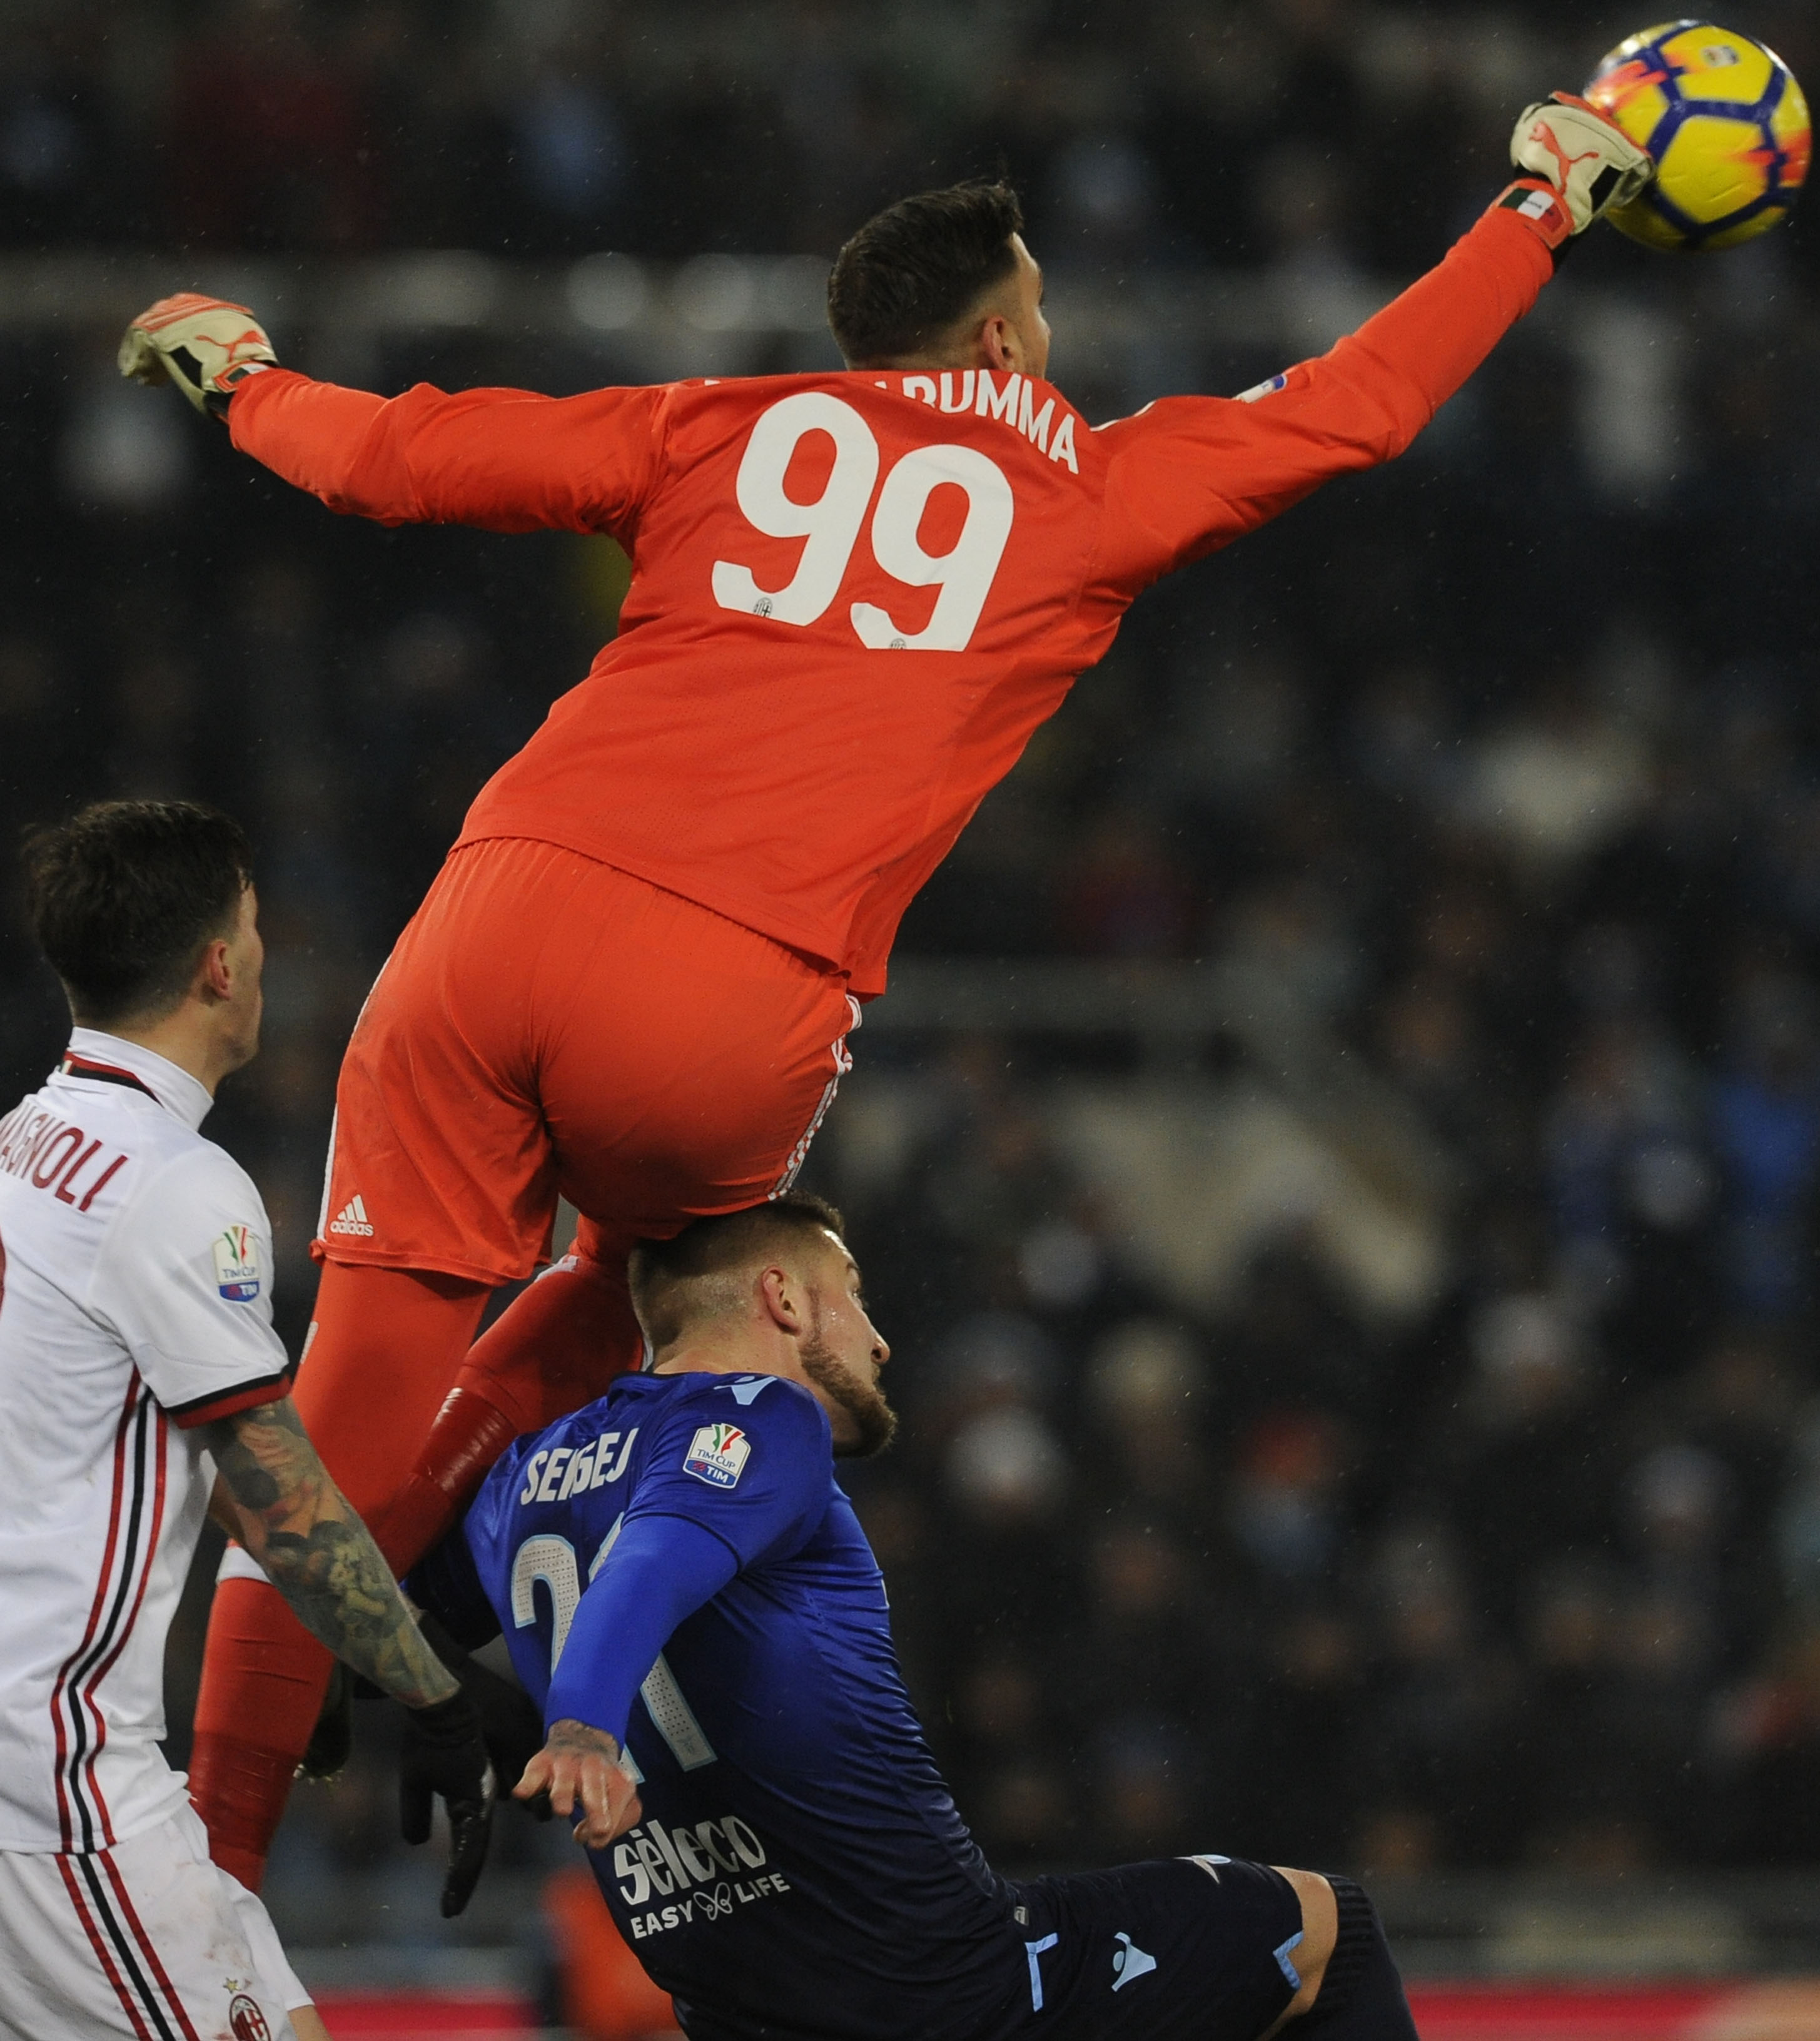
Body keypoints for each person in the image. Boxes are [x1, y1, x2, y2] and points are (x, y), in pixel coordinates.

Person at [118, 96, 1654, 1887]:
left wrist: (246, 382)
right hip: (727, 985)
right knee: (638, 1278)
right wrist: (1534, 213)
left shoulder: (718, 423)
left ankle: (207, 1872)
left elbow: (397, 459)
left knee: (341, 1406)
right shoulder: (1086, 484)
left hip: (495, 916)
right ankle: (409, 1596)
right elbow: (1356, 405)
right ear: (997, 342)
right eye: (1042, 318)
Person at [402, 1192, 1408, 2040]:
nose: (878, 1338)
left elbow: (396, 1606)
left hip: (742, 2015)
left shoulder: (522, 1481)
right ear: (783, 1296)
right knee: (1331, 1932)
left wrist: (444, 1704)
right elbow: (654, 1562)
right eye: (852, 1294)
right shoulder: (761, 1415)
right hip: (947, 1990)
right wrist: (579, 1726)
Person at [0, 801, 493, 2041]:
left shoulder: (18, 1142)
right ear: (217, 966)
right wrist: (437, 1697)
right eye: (255, 925)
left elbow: (211, 1472)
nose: (266, 953)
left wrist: (370, 1647)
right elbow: (279, 1495)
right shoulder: (177, 1182)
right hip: (41, 1782)